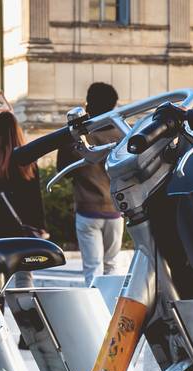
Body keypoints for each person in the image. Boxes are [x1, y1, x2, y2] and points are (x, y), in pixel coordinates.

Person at [57, 82, 124, 286]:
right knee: (112, 265)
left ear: (88, 104)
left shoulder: (77, 135)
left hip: (87, 209)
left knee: (92, 268)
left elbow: (62, 169)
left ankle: (96, 310)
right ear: (114, 105)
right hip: (115, 209)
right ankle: (112, 309)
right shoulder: (121, 132)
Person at [0, 111, 47, 285]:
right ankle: (25, 311)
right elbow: (36, 200)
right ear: (18, 133)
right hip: (21, 234)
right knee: (24, 279)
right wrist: (40, 226)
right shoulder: (29, 164)